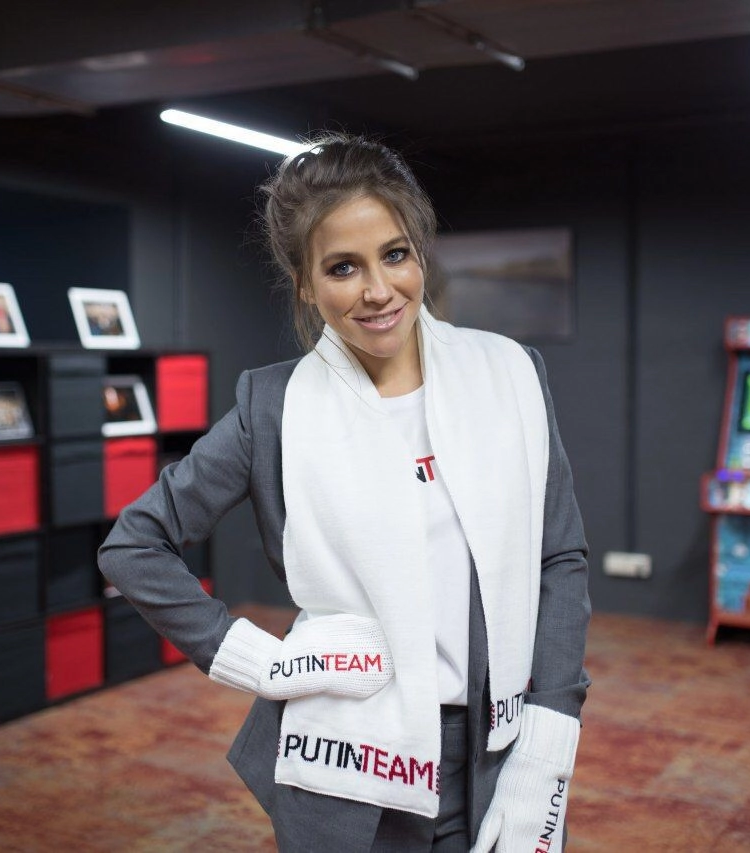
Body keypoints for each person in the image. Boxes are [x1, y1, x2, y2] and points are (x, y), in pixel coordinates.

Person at [98, 132, 591, 852]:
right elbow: (134, 545)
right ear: (305, 282)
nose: (378, 290)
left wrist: (547, 738)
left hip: (496, 750)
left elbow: (559, 559)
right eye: (342, 267)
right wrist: (260, 660)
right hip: (345, 765)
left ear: (420, 252)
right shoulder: (275, 408)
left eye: (395, 254)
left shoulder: (510, 375)